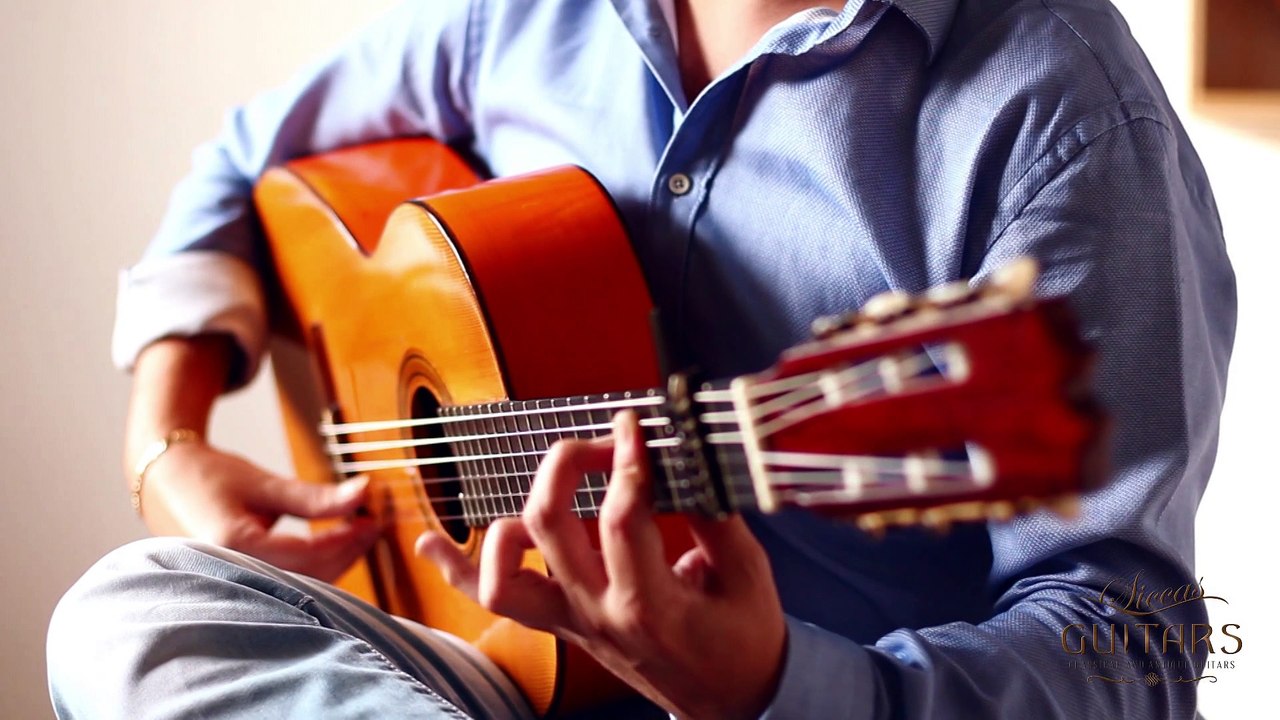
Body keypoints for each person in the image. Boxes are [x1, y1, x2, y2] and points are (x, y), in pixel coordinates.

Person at [47, 0, 1236, 718]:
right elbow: (243, 158)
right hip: (487, 685)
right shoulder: (518, 19)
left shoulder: (1060, 121)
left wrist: (774, 688)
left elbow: (1128, 650)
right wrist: (171, 438)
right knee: (124, 613)